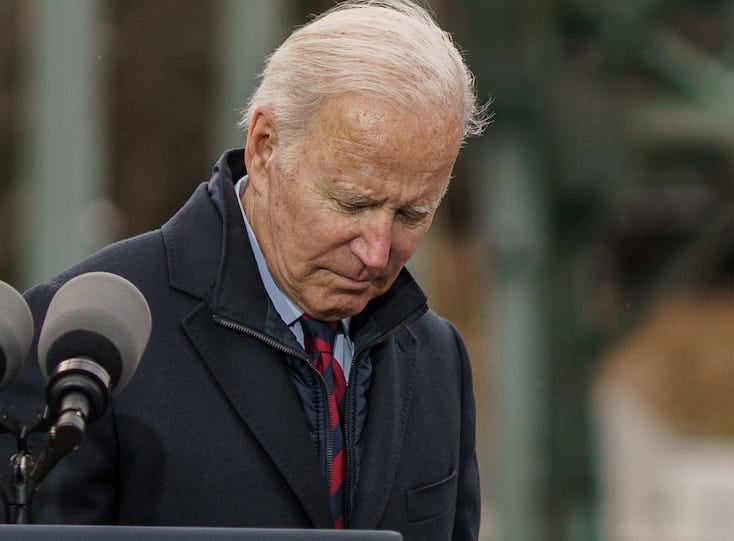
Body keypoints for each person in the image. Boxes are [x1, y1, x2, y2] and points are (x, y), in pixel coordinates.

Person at [1, 0, 487, 538]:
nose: (377, 251)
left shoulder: (440, 361)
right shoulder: (82, 346)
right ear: (264, 147)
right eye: (352, 203)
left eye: (411, 214)